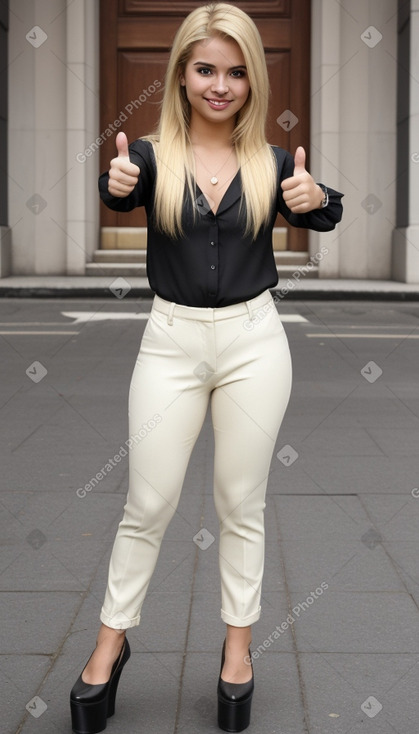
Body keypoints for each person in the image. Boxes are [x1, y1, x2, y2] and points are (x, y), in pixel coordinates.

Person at [70, 3, 343, 732]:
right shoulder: (151, 158)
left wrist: (317, 199)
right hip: (170, 342)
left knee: (239, 503)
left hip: (256, 343)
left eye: (234, 71)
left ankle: (237, 652)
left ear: (252, 80)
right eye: (204, 70)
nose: (219, 85)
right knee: (147, 504)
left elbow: (324, 210)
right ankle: (108, 645)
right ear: (182, 75)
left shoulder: (276, 164)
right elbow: (115, 188)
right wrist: (117, 181)